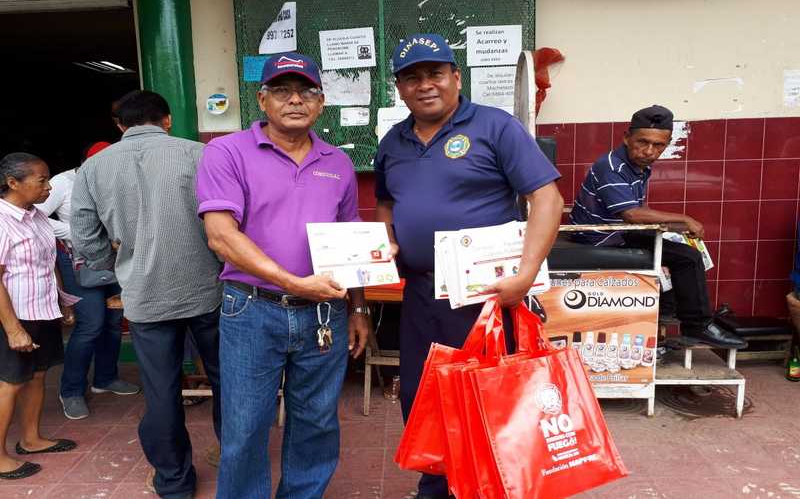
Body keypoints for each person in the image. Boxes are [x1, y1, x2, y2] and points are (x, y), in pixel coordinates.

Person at [374, 34, 563, 499]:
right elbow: (386, 202)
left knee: (488, 397)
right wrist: (389, 238)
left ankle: (493, 487)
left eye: (435, 73)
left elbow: (546, 198)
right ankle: (437, 485)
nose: (425, 85)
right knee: (424, 395)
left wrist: (525, 273)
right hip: (421, 295)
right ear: (399, 88)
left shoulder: (495, 126)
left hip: (485, 297)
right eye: (411, 77)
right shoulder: (392, 142)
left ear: (456, 77)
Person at [196, 52, 370, 499]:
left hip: (324, 314)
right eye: (282, 91)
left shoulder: (338, 162)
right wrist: (292, 282)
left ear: (321, 102)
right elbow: (221, 236)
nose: (295, 100)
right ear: (262, 99)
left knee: (317, 422)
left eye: (306, 92)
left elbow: (349, 240)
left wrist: (359, 307)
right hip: (252, 310)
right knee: (245, 426)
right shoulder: (226, 152)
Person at [70, 91, 223, 498]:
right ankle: (235, 459)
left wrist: (121, 264)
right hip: (208, 290)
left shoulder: (93, 168)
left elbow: (84, 236)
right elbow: (231, 221)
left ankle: (174, 482)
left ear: (120, 125)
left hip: (144, 296)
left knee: (161, 391)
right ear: (167, 120)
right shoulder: (200, 154)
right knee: (228, 381)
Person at [569, 104, 745, 349]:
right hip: (601, 236)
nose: (649, 151)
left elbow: (636, 210)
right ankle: (697, 326)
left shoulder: (637, 166)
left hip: (619, 231)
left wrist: (670, 227)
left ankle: (666, 310)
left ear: (667, 144)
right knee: (688, 258)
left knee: (678, 246)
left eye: (658, 145)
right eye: (642, 142)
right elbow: (631, 214)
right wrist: (683, 219)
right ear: (627, 138)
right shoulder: (611, 166)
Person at [36, 141, 139, 421]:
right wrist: (77, 231)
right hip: (78, 262)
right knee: (91, 323)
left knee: (114, 321)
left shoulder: (116, 179)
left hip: (114, 259)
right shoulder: (63, 183)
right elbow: (36, 216)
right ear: (86, 164)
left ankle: (105, 378)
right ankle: (71, 390)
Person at [0, 152, 77, 480]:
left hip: (41, 310)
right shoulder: (2, 220)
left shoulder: (37, 217)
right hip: (14, 315)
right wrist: (13, 328)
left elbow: (50, 263)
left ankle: (31, 440)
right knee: (10, 382)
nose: (49, 187)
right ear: (13, 183)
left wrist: (64, 303)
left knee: (36, 375)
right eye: (42, 180)